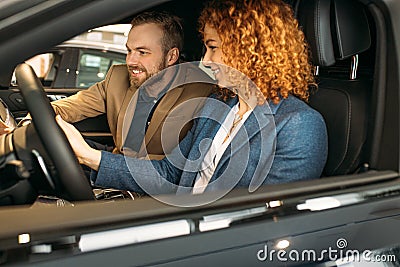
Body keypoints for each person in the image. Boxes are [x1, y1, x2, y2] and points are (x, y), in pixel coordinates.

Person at [57, 0, 328, 195]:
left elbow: (263, 223)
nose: (205, 61)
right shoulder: (222, 107)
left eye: (213, 48)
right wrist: (89, 156)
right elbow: (169, 175)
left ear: (249, 50)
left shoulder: (298, 125)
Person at [2, 11, 213, 159]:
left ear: (171, 56)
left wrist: (97, 161)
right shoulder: (117, 77)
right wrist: (26, 124)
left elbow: (180, 167)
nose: (130, 61)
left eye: (142, 52)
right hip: (113, 174)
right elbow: (68, 106)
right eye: (129, 50)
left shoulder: (202, 91)